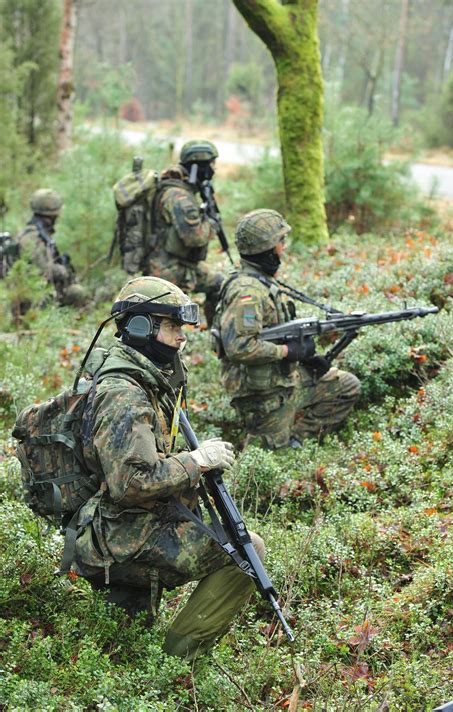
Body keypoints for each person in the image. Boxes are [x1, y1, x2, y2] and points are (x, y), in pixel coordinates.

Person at [72, 275, 264, 660]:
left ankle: (133, 655)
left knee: (123, 650)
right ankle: (178, 661)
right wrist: (195, 461)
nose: (182, 337)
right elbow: (132, 482)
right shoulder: (125, 394)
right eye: (173, 326)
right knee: (247, 554)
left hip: (113, 523)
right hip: (121, 534)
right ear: (142, 327)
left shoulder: (139, 374)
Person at [215, 209, 361, 450]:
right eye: (281, 241)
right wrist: (287, 351)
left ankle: (297, 439)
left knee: (346, 386)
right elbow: (240, 347)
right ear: (267, 248)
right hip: (260, 393)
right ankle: (273, 439)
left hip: (281, 378)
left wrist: (306, 357)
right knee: (271, 457)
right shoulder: (247, 293)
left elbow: (275, 329)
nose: (284, 247)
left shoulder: (262, 281)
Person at [148, 140, 224, 325]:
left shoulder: (178, 187)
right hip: (169, 271)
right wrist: (213, 224)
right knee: (169, 322)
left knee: (219, 283)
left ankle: (212, 333)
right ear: (200, 167)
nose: (214, 170)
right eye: (211, 165)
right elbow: (195, 237)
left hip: (178, 264)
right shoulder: (179, 196)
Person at [15, 189, 85, 308]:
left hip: (30, 290)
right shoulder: (32, 237)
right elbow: (42, 270)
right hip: (31, 296)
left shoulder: (33, 232)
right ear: (53, 215)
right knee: (76, 292)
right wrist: (62, 270)